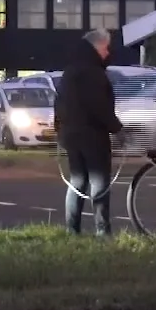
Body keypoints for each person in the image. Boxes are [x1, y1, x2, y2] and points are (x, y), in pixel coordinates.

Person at [54, 28, 125, 236]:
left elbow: (58, 103)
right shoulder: (93, 72)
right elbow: (99, 106)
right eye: (106, 48)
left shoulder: (71, 69)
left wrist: (60, 130)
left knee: (77, 180)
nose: (108, 53)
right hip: (92, 135)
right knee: (99, 181)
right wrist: (117, 129)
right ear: (98, 46)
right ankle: (102, 231)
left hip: (70, 133)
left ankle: (72, 230)